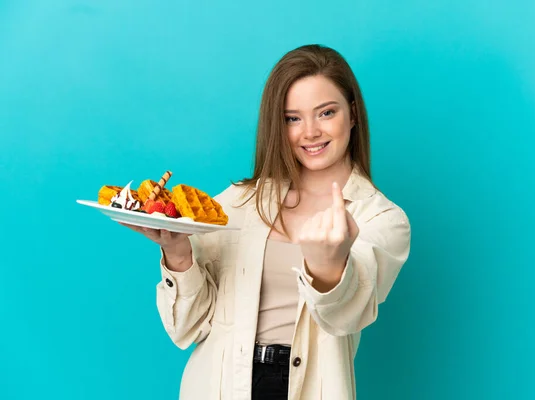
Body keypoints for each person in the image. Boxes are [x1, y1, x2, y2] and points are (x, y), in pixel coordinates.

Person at [123, 44, 411, 400]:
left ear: (352, 115)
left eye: (326, 113)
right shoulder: (237, 202)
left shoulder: (381, 219)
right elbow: (189, 327)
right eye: (293, 118)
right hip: (221, 385)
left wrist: (329, 268)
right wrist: (177, 252)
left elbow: (346, 316)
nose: (310, 132)